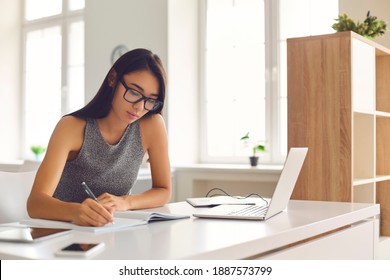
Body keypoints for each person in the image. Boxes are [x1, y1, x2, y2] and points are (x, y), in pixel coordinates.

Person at [27, 48, 171, 227]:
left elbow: (163, 190)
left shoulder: (152, 125)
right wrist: (76, 211)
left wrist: (126, 202)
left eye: (150, 100)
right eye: (134, 92)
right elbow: (35, 203)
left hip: (112, 230)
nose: (139, 107)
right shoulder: (71, 127)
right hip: (62, 231)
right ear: (113, 79)